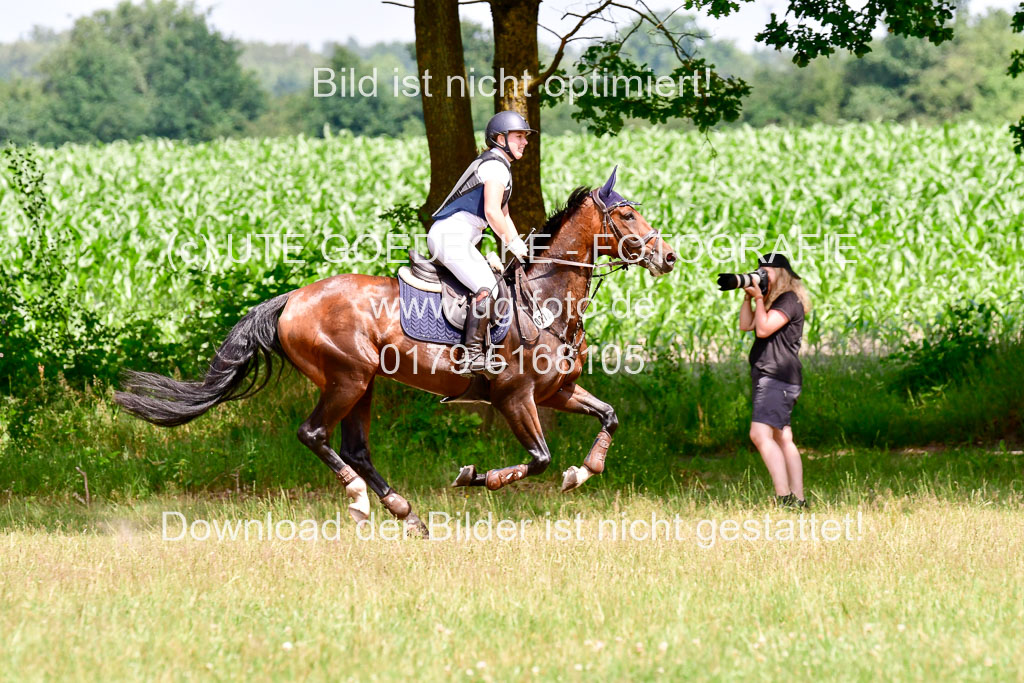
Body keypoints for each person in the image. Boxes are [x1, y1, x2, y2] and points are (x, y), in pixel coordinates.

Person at [427, 110, 534, 373]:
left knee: (494, 286)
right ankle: (471, 355)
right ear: (500, 138)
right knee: (487, 286)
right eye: (519, 136)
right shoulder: (495, 166)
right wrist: (512, 243)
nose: (525, 142)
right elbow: (492, 213)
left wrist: (521, 248)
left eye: (525, 137)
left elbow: (505, 215)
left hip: (460, 238)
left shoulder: (500, 166)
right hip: (450, 237)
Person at [738, 253, 812, 508]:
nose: (761, 275)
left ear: (781, 273)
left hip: (776, 377)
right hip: (775, 376)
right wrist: (750, 298)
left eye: (766, 271)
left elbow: (764, 329)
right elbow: (746, 325)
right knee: (783, 438)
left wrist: (759, 298)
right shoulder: (773, 300)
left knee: (759, 434)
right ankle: (799, 499)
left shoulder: (790, 300)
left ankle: (785, 498)